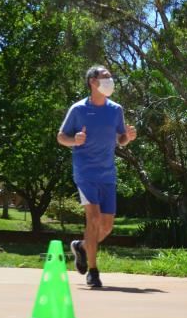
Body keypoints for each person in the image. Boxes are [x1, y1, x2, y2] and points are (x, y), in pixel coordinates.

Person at [57, 66, 137, 287]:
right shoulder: (78, 109)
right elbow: (61, 137)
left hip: (108, 174)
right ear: (92, 82)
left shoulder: (116, 110)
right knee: (93, 220)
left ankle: (82, 247)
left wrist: (128, 137)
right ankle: (93, 271)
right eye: (105, 77)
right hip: (85, 173)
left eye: (110, 77)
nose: (110, 80)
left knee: (107, 227)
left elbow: (120, 138)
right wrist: (75, 140)